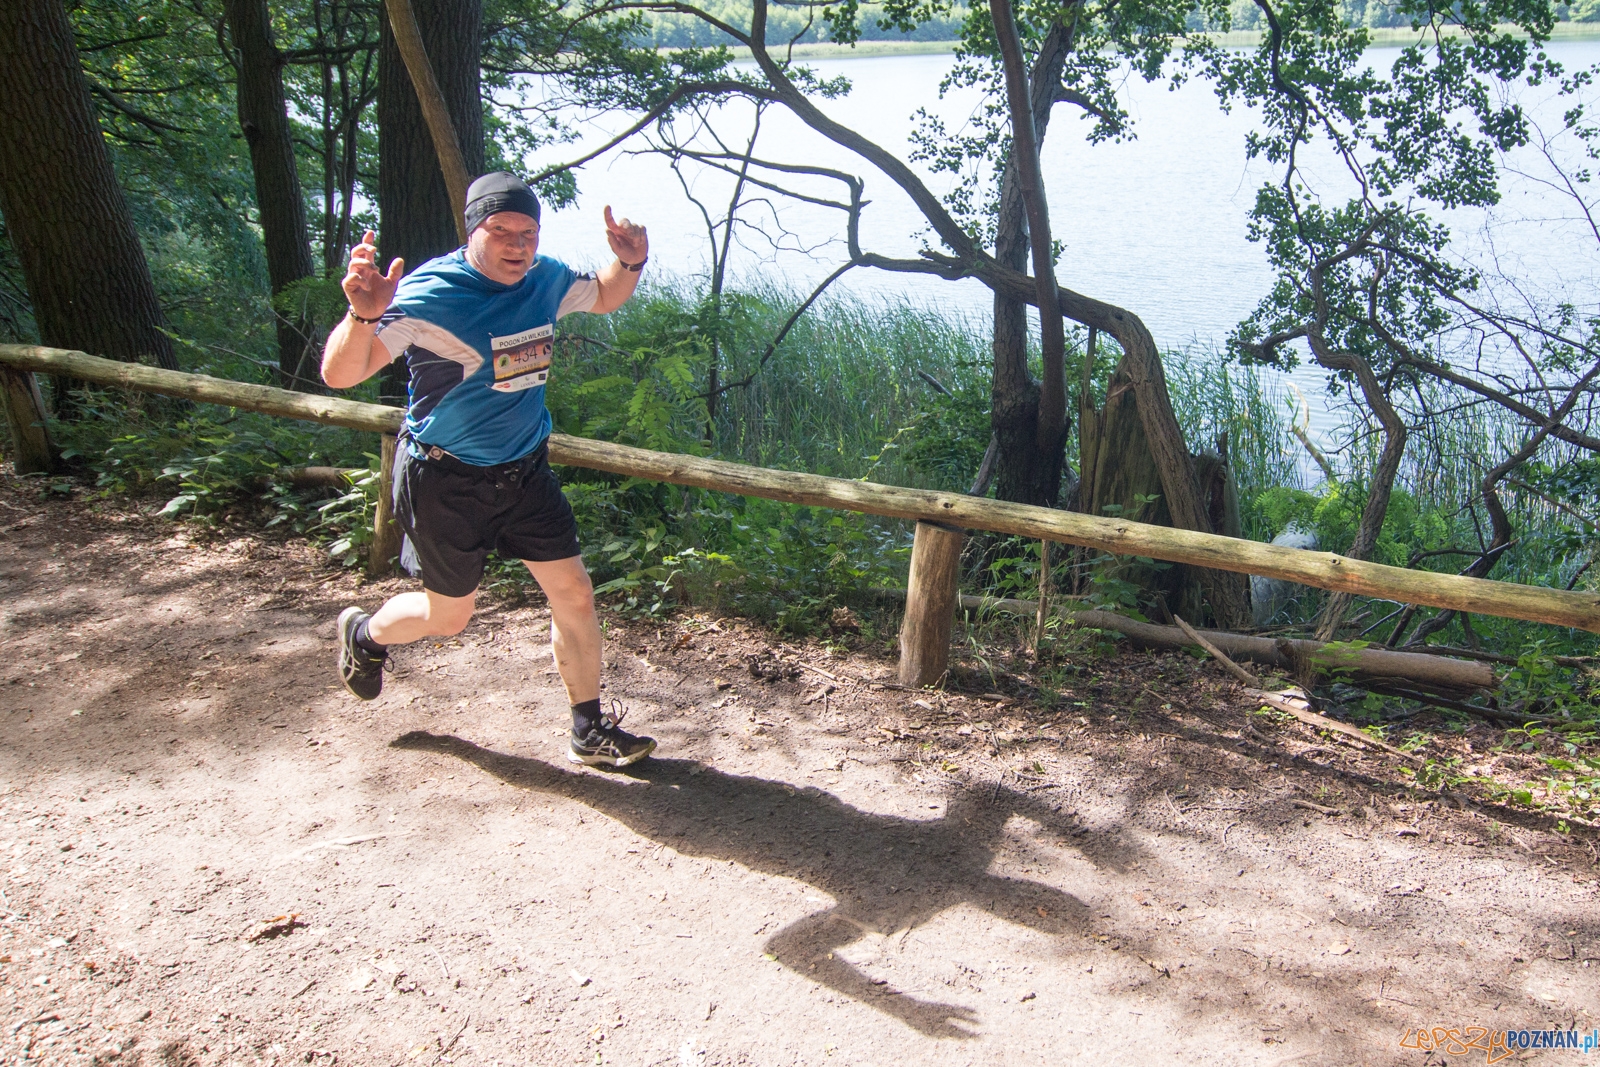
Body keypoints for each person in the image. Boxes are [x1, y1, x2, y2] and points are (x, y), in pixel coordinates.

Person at [321, 171, 655, 767]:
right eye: (501, 231)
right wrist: (363, 317)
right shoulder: (428, 294)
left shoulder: (545, 279)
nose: (517, 246)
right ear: (472, 230)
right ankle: (365, 636)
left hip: (524, 471)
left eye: (528, 233)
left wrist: (630, 262)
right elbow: (341, 375)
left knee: (575, 594)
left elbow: (604, 295)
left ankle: (588, 729)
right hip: (444, 480)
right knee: (448, 617)